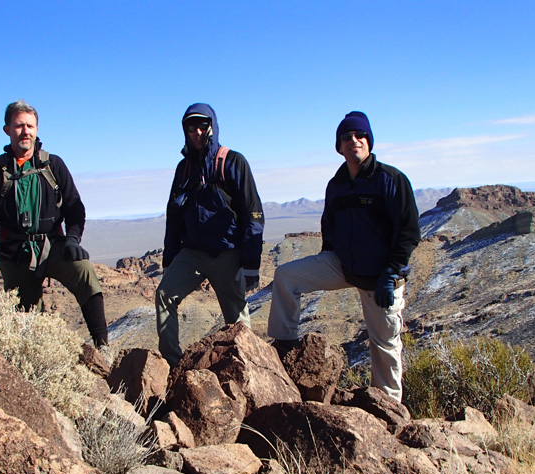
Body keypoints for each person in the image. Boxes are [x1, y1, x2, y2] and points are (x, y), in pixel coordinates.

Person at [267, 111, 421, 402]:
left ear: (369, 141)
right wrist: (327, 255)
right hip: (344, 265)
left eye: (360, 135)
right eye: (346, 137)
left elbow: (409, 233)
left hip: (382, 277)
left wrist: (391, 272)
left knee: (384, 345)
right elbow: (330, 224)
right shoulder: (336, 184)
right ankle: (285, 343)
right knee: (286, 276)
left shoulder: (391, 180)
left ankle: (387, 409)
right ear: (339, 146)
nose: (354, 141)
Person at [0, 100, 109, 353]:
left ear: (37, 129)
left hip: (53, 245)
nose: (25, 131)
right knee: (25, 316)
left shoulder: (52, 165)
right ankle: (36, 362)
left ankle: (103, 347)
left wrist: (72, 238)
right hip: (14, 251)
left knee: (85, 273)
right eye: (19, 126)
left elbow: (75, 207)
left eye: (30, 126)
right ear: (7, 130)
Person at [156, 103, 265, 367]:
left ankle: (250, 369)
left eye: (202, 125)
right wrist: (169, 258)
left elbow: (253, 212)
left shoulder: (232, 161)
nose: (197, 132)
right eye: (191, 127)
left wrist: (250, 262)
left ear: (212, 127)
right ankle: (173, 364)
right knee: (164, 295)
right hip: (192, 253)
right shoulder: (183, 169)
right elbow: (173, 216)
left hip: (227, 252)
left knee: (237, 320)